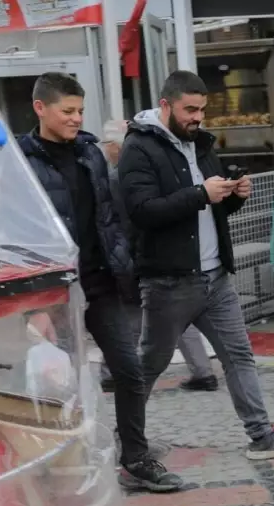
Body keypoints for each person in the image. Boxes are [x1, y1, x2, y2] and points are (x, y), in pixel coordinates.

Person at [118, 70, 274, 461]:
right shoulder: (138, 148)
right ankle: (128, 444)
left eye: (202, 110)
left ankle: (262, 435)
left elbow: (210, 209)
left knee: (239, 355)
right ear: (166, 105)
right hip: (169, 281)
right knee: (148, 367)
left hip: (216, 278)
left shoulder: (200, 143)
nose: (197, 117)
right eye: (190, 109)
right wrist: (199, 194)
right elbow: (141, 211)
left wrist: (234, 195)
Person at [18, 73, 183, 492]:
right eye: (67, 111)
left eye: (80, 110)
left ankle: (136, 459)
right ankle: (60, 466)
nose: (76, 118)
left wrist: (123, 262)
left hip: (100, 284)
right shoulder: (22, 161)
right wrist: (34, 304)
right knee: (61, 383)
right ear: (41, 108)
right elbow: (20, 232)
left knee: (129, 371)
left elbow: (109, 217)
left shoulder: (91, 154)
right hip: (52, 292)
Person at [98, 118, 218, 395]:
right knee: (176, 317)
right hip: (156, 257)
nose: (105, 150)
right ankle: (201, 369)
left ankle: (114, 375)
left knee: (129, 319)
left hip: (137, 258)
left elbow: (121, 223)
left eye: (107, 144)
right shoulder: (142, 169)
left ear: (116, 146)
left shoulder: (117, 177)